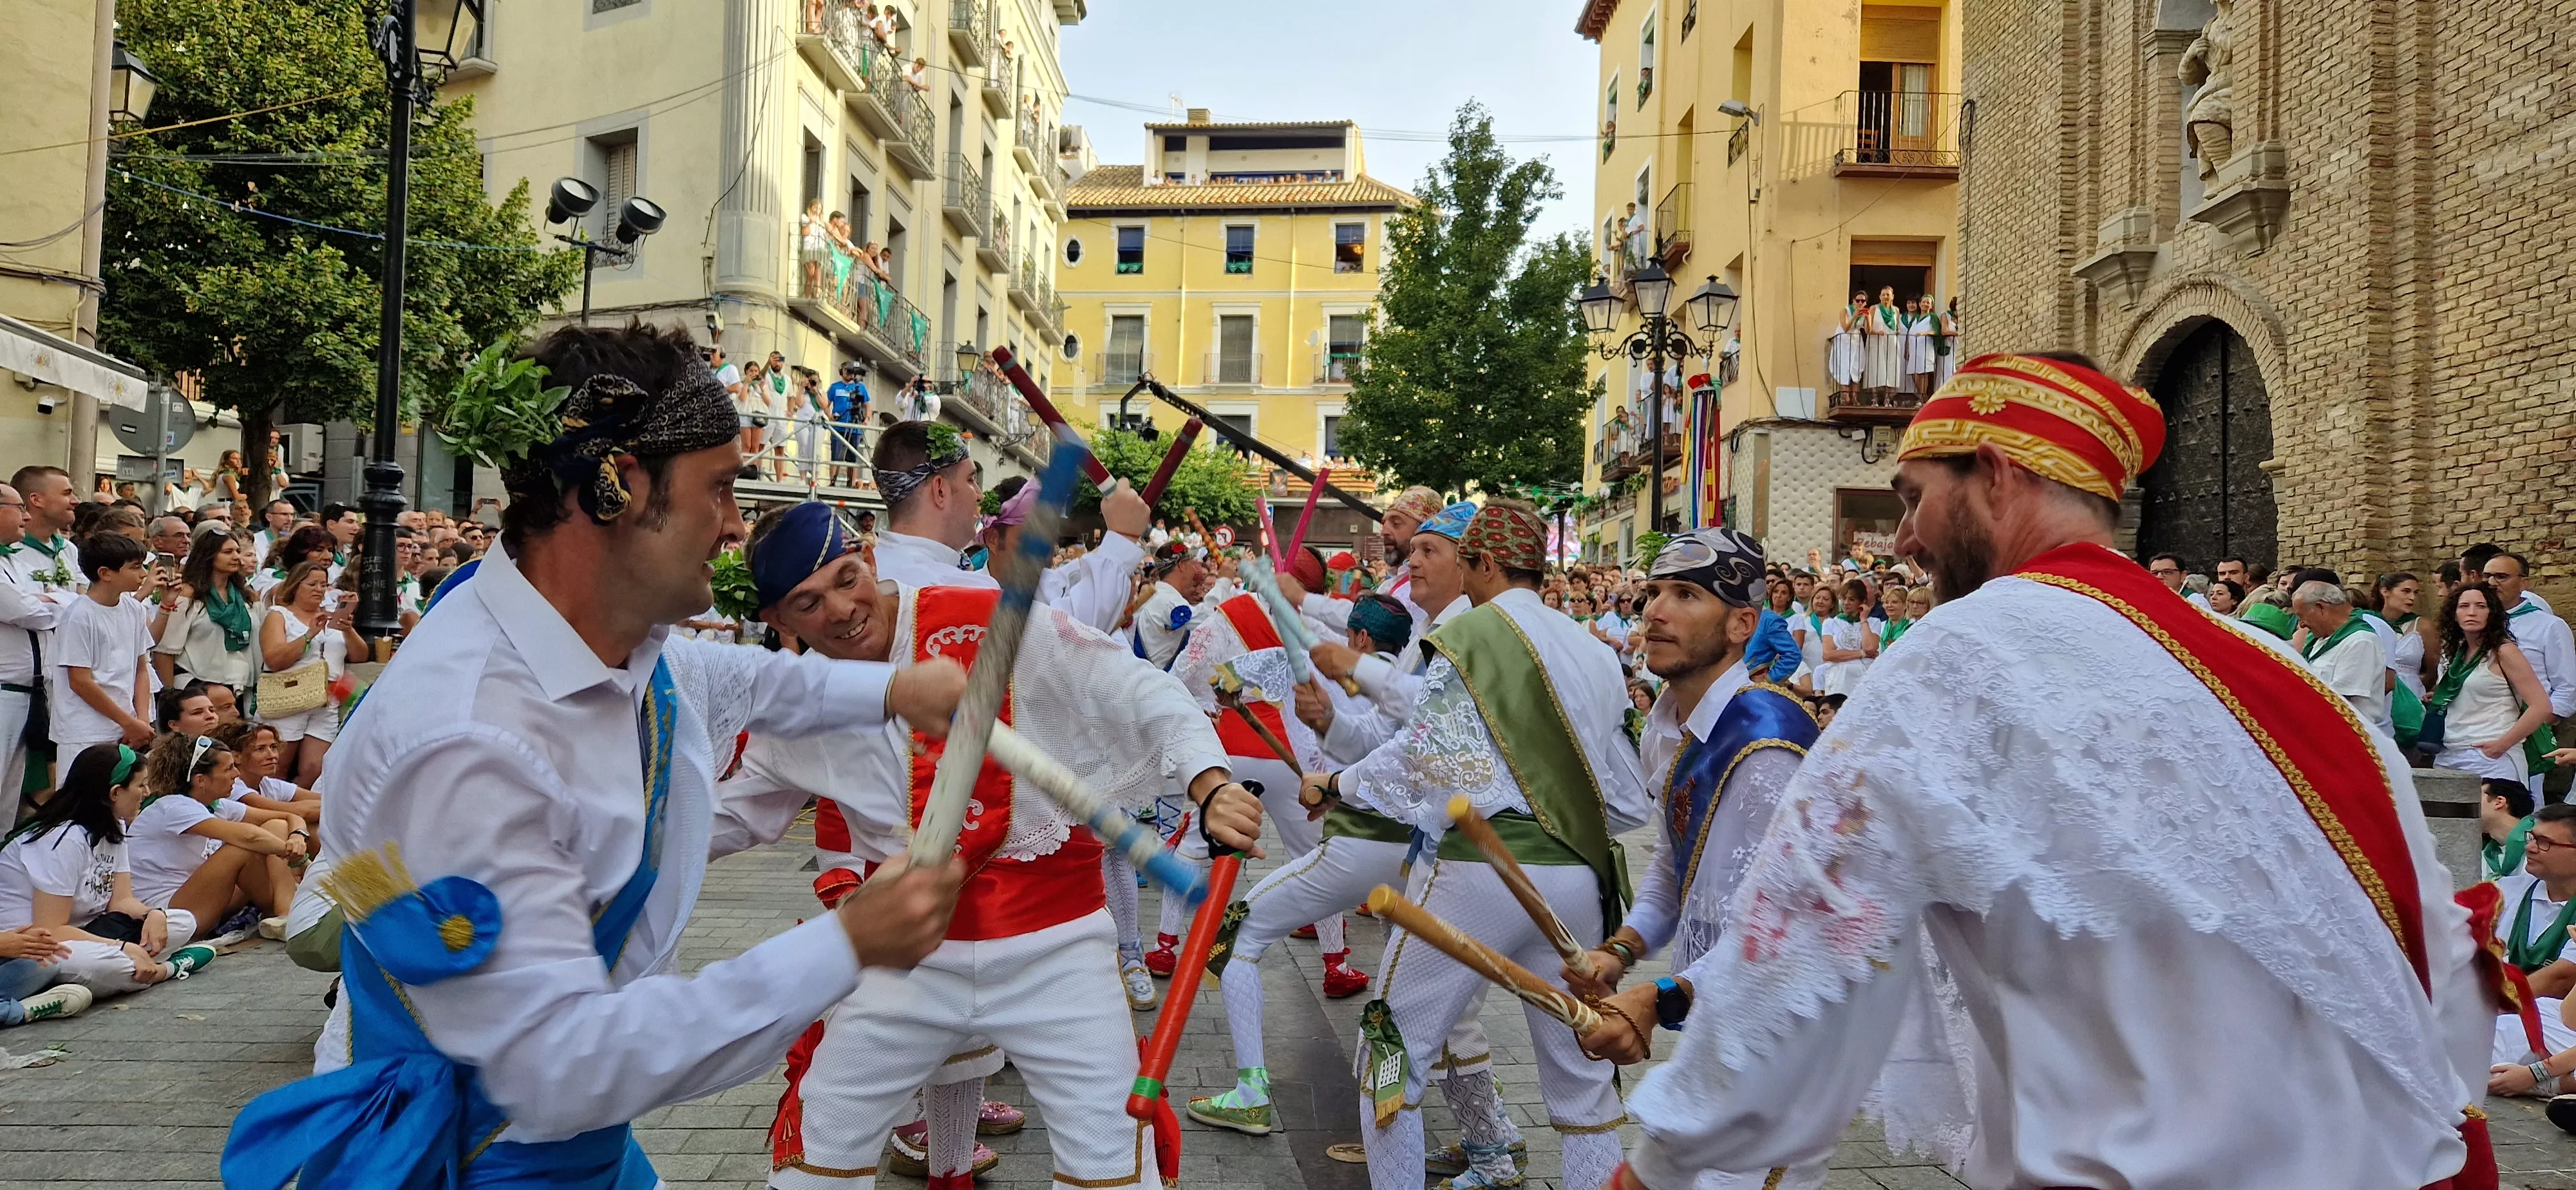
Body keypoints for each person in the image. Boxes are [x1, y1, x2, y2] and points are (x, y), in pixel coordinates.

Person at [1613, 352, 2490, 1190]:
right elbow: (2447, 954)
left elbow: (1805, 944)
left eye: (1915, 498)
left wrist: (1666, 1162)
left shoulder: (1962, 653)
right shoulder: (2279, 672)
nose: (1906, 538)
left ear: (1996, 476)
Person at [223, 320, 972, 1190]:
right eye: (719, 489)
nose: (735, 527)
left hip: (563, 1137)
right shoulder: (471, 745)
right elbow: (559, 1067)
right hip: (483, 1154)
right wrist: (847, 945)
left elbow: (733, 677)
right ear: (617, 485)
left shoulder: (608, 642)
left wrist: (895, 689)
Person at [734, 502, 1265, 1190]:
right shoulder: (794, 702)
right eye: (809, 603)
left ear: (867, 556)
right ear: (778, 620)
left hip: (1057, 950)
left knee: (1110, 1161)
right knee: (819, 1154)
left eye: (846, 579)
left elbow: (1135, 688)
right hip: (907, 959)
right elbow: (725, 811)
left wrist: (1211, 783)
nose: (841, 610)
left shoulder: (990, 623)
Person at [1302, 500, 1647, 1190]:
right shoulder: (1593, 648)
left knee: (1390, 1053)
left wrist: (1337, 782)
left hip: (1479, 870)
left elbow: (1423, 756)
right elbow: (1626, 793)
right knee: (1582, 1084)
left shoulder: (1469, 636)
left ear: (1483, 562)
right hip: (1579, 875)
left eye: (1459, 560)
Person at [1563, 526, 1826, 1190]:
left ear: (1741, 624)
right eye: (1654, 592)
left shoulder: (1764, 745)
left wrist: (1660, 999)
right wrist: (1621, 950)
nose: (1655, 610)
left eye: (1685, 594)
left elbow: (1784, 932)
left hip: (1782, 1041)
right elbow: (1675, 868)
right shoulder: (1669, 726)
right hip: (1718, 1022)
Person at [0, 742, 214, 1003]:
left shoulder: (114, 825)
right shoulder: (63, 840)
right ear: (115, 792)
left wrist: (152, 914)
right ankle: (168, 969)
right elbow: (52, 929)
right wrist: (122, 947)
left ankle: (136, 968)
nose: (147, 793)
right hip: (38, 945)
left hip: (87, 930)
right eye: (141, 785)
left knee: (182, 921)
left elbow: (121, 900)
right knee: (114, 966)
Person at [124, 733, 305, 943]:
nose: (237, 774)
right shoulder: (174, 806)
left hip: (202, 899)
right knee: (240, 849)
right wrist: (296, 856)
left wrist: (298, 836)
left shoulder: (216, 805)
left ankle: (283, 913)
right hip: (167, 914)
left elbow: (288, 817)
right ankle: (285, 913)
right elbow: (249, 837)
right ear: (201, 780)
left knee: (276, 826)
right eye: (229, 769)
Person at [2427, 580, 2553, 784]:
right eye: (2464, 606)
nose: (2472, 612)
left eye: (2481, 606)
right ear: (2454, 614)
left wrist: (2502, 745)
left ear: (2492, 613)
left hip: (2491, 757)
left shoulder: (2504, 651)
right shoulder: (2455, 652)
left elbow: (2541, 706)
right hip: (2449, 753)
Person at [258, 559, 365, 786]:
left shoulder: (330, 616)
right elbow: (274, 659)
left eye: (323, 585)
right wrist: (310, 634)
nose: (319, 589)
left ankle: (294, 802)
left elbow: (360, 656)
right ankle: (268, 804)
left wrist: (348, 630)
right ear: (296, 585)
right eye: (312, 584)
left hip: (327, 700)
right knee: (278, 766)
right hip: (290, 697)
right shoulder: (279, 615)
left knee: (315, 768)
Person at [50, 533, 155, 755]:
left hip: (126, 728)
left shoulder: (134, 609)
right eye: (135, 567)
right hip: (84, 731)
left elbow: (141, 668)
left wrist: (142, 720)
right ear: (105, 573)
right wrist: (128, 722)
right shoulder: (79, 616)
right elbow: (80, 681)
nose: (144, 574)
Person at [2481, 552, 2575, 795]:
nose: (2492, 582)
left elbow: (2567, 687)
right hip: (2477, 732)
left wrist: (2536, 724)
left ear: (2524, 583)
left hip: (2527, 733)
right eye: (2487, 576)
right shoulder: (2471, 624)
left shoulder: (2549, 626)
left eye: (2501, 576)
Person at [155, 524, 258, 692]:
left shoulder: (246, 596)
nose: (236, 557)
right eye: (228, 552)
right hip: (195, 687)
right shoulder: (187, 595)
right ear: (209, 556)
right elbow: (164, 651)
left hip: (239, 685)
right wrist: (169, 695)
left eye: (238, 551)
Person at [2295, 579, 2392, 732]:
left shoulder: (2361, 641)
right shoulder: (2320, 640)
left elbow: (2339, 701)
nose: (2302, 624)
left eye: (2302, 616)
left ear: (2321, 608)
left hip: (2346, 734)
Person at [2483, 777, 2539, 884]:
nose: (2469, 804)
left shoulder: (2543, 844)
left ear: (2499, 802)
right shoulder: (2485, 854)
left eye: (2476, 798)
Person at [826, 363, 869, 488]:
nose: (849, 373)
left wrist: (867, 418)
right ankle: (833, 482)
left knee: (853, 457)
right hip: (838, 426)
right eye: (847, 370)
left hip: (854, 428)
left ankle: (851, 483)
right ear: (841, 371)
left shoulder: (860, 387)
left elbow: (868, 404)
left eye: (851, 371)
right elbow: (826, 404)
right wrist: (830, 416)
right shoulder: (835, 387)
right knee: (836, 456)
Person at [1860, 286, 1905, 406]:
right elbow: (1867, 328)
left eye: (1888, 295)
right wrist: (1877, 332)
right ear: (1879, 297)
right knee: (1875, 367)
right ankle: (1875, 398)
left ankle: (1887, 399)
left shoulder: (1896, 310)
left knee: (1891, 368)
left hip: (1891, 342)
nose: (1886, 297)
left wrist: (1898, 331)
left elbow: (1897, 327)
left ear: (1893, 297)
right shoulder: (1874, 309)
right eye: (1883, 294)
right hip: (1876, 342)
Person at [1829, 290, 1866, 406]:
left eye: (1863, 301)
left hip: (1856, 341)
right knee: (1844, 367)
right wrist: (1854, 316)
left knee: (1856, 367)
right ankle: (1845, 396)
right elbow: (1845, 328)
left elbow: (1868, 331)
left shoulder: (1864, 313)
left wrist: (1868, 318)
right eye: (1858, 300)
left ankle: (1854, 397)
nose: (1860, 303)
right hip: (1844, 341)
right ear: (1853, 301)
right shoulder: (1845, 311)